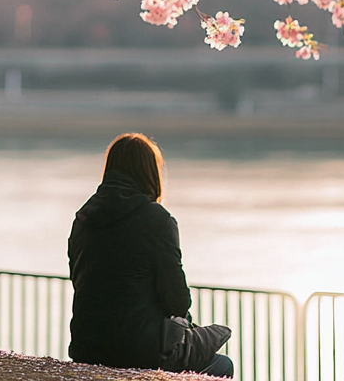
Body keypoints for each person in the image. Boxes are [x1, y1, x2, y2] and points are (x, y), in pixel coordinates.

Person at [68, 132, 233, 377]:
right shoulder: (157, 220)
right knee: (222, 364)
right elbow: (177, 301)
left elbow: (80, 280)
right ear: (150, 172)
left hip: (87, 347)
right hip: (140, 351)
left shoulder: (83, 218)